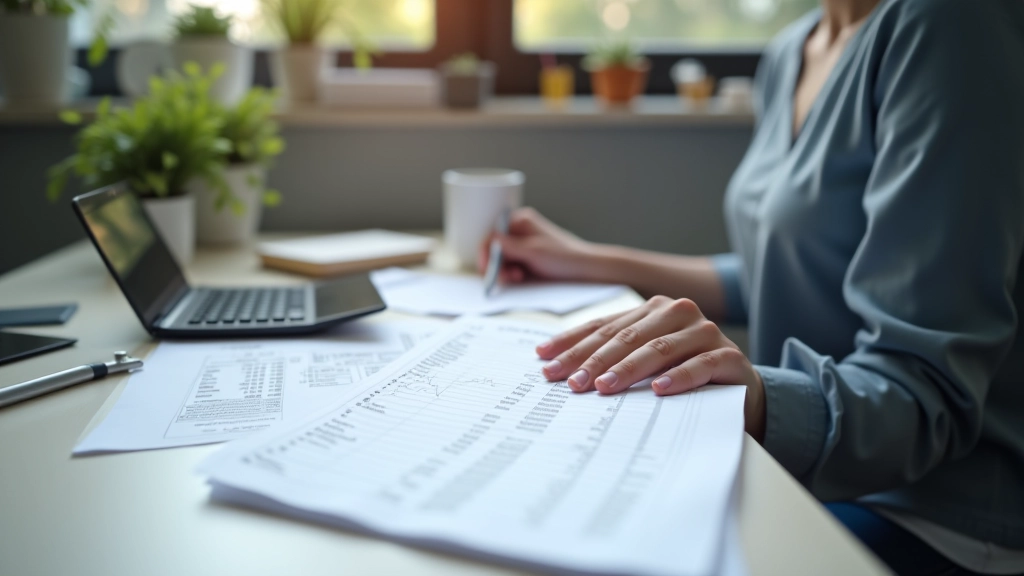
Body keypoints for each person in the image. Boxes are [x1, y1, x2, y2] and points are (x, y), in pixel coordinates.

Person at [479, 0, 1024, 574]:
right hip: (806, 468)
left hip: (932, 515)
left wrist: (758, 395)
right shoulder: (792, 50)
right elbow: (784, 271)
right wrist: (586, 260)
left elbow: (924, 395)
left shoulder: (954, 24)